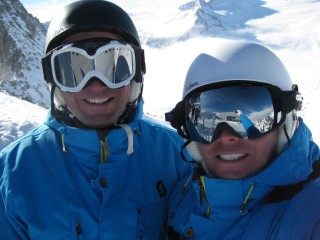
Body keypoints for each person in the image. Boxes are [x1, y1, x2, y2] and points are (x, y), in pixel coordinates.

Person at [0, 1, 191, 239]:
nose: (97, 86)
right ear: (54, 80)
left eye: (113, 66)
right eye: (73, 69)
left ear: (135, 74)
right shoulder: (14, 172)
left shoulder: (179, 157)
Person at [165, 41, 320, 239]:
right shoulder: (185, 194)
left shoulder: (311, 213)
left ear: (286, 123)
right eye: (206, 123)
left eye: (251, 118)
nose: (227, 137)